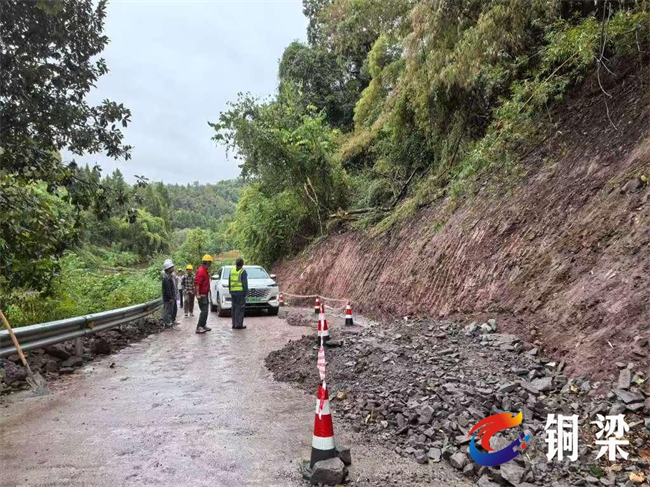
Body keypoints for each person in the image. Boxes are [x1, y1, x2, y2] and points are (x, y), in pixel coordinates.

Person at [194, 254, 213, 334]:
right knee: (204, 311)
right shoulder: (201, 271)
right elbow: (197, 284)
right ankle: (199, 327)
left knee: (205, 311)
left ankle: (203, 325)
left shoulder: (205, 270)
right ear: (208, 262)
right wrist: (198, 294)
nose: (211, 264)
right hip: (202, 295)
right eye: (210, 263)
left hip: (205, 294)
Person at [229, 257, 248, 330]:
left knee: (234, 308)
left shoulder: (232, 271)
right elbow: (244, 283)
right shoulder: (243, 272)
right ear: (242, 264)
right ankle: (239, 324)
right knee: (240, 308)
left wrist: (230, 291)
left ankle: (234, 324)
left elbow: (229, 282)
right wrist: (246, 293)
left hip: (233, 293)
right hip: (240, 293)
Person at [162, 259, 176, 330]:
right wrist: (171, 297)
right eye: (171, 267)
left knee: (169, 311)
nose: (173, 268)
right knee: (167, 311)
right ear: (168, 269)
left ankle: (168, 323)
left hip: (169, 298)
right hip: (168, 298)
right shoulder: (166, 278)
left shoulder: (168, 276)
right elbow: (168, 289)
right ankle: (167, 324)